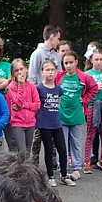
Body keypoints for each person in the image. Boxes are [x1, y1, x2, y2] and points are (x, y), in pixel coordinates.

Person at [55, 50, 97, 181]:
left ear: (76, 62)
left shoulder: (83, 77)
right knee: (61, 143)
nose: (68, 65)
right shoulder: (59, 76)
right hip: (61, 115)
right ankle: (61, 167)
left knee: (76, 143)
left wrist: (84, 99)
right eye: (65, 63)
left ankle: (77, 167)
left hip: (77, 115)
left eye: (71, 62)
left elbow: (94, 88)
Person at [36, 59, 75, 186]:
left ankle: (64, 175)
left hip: (56, 122)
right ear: (42, 72)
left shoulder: (58, 89)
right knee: (48, 149)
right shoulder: (39, 88)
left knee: (62, 150)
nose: (50, 72)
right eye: (47, 70)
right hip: (44, 123)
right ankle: (51, 176)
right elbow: (37, 105)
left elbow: (59, 102)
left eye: (52, 70)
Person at [27, 25, 62, 166]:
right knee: (38, 133)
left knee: (52, 130)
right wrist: (34, 96)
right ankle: (33, 163)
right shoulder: (37, 54)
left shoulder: (55, 56)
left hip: (52, 98)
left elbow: (59, 76)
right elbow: (32, 76)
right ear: (51, 37)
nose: (59, 42)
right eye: (58, 39)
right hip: (39, 98)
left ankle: (52, 162)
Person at [83, 47, 102, 173]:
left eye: (101, 59)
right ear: (91, 60)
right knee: (91, 134)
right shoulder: (88, 74)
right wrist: (95, 88)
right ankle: (87, 162)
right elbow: (84, 91)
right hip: (92, 105)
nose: (99, 62)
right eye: (96, 59)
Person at [5, 58, 40, 154]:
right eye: (16, 70)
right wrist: (21, 85)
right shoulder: (12, 86)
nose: (20, 72)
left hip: (30, 122)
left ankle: (26, 169)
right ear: (13, 73)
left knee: (28, 151)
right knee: (22, 151)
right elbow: (18, 102)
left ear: (26, 69)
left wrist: (25, 105)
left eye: (21, 69)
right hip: (18, 123)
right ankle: (20, 169)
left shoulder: (32, 86)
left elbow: (37, 105)